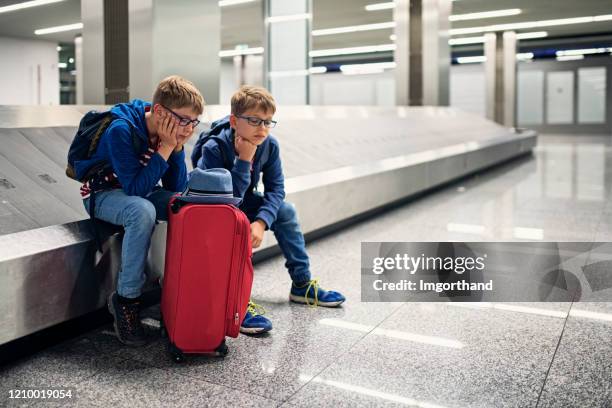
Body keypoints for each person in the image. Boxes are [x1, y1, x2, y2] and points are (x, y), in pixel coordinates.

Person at [192, 85, 345, 335]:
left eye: (267, 122)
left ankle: (302, 285)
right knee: (237, 223)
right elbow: (226, 199)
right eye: (253, 121)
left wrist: (261, 222)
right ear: (234, 121)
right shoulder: (214, 148)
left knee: (285, 211)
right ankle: (236, 303)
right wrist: (243, 160)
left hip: (243, 204)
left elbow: (276, 189)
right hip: (217, 210)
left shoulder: (269, 145)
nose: (261, 128)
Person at [78, 75, 204, 346]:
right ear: (158, 111)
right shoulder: (122, 129)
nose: (187, 128)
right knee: (142, 211)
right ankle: (126, 300)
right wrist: (167, 147)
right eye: (182, 120)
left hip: (139, 191)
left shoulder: (169, 132)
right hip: (101, 194)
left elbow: (176, 186)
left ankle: (179, 292)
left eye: (193, 122)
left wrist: (176, 149)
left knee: (184, 206)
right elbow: (135, 189)